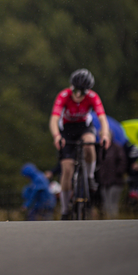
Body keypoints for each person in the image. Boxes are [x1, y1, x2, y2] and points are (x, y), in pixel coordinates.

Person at [49, 68, 110, 220]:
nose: (78, 95)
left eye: (82, 92)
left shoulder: (93, 97)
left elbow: (102, 119)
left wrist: (105, 134)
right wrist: (57, 136)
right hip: (67, 129)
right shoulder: (64, 96)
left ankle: (89, 176)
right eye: (76, 90)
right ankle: (64, 210)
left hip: (84, 127)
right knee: (67, 170)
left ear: (87, 91)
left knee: (90, 144)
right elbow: (54, 119)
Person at [96, 133, 127, 218]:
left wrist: (117, 173)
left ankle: (114, 222)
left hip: (115, 181)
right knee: (106, 204)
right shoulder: (101, 149)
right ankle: (108, 222)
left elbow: (122, 162)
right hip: (104, 181)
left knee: (113, 204)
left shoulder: (117, 148)